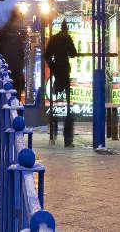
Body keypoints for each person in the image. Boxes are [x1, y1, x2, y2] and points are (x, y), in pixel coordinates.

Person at [44, 19, 78, 147]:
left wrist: (52, 66)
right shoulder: (67, 38)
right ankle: (67, 139)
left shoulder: (54, 39)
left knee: (55, 102)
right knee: (68, 106)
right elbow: (73, 53)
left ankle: (53, 131)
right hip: (64, 71)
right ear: (66, 28)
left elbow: (47, 55)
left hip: (56, 73)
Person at [0, 9, 26, 96]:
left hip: (7, 76)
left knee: (9, 101)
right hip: (12, 75)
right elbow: (21, 56)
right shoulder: (14, 35)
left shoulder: (3, 33)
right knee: (13, 101)